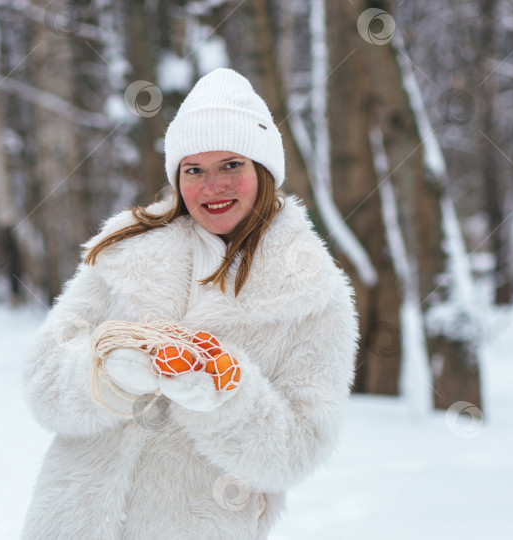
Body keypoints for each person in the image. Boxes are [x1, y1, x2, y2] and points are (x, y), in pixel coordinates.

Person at [20, 68, 359, 539]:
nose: (211, 185)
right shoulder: (124, 251)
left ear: (263, 169)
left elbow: (299, 451)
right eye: (193, 170)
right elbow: (42, 383)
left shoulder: (314, 294)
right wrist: (110, 374)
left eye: (231, 165)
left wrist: (225, 392)